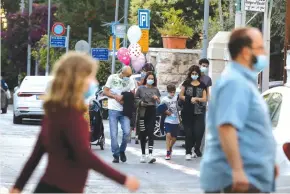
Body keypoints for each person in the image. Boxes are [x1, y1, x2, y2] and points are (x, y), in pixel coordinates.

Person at [9, 52, 139, 193]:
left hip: (47, 187)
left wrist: (17, 187)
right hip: (64, 189)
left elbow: (35, 157)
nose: (94, 82)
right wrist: (123, 179)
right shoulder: (73, 117)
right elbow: (84, 155)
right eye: (90, 77)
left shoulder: (53, 113)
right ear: (78, 80)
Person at [200, 27, 278, 193]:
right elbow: (226, 127)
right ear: (245, 52)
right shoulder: (235, 82)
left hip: (248, 178)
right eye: (260, 48)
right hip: (235, 181)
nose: (264, 53)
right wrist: (237, 170)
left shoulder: (243, 81)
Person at [104, 66, 135, 163]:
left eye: (130, 75)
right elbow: (105, 91)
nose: (129, 77)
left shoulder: (130, 80)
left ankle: (122, 151)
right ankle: (116, 154)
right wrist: (115, 97)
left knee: (127, 133)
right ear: (123, 72)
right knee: (113, 134)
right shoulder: (112, 78)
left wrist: (124, 97)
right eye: (128, 75)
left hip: (124, 110)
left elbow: (132, 93)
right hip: (113, 109)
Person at [179, 65, 207, 160]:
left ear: (198, 74)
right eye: (193, 73)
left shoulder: (202, 85)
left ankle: (196, 148)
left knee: (198, 132)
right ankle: (188, 151)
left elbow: (205, 98)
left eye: (196, 73)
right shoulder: (186, 83)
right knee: (189, 133)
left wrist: (197, 99)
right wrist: (190, 98)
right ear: (190, 74)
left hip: (199, 112)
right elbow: (181, 95)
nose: (194, 75)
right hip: (187, 112)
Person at [135, 72, 160, 163]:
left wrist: (156, 98)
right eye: (149, 78)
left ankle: (150, 154)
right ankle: (143, 154)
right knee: (143, 133)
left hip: (152, 111)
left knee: (150, 132)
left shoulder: (155, 89)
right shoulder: (141, 88)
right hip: (143, 111)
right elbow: (135, 99)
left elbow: (159, 101)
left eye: (152, 79)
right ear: (146, 79)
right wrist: (140, 103)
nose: (151, 80)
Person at [160, 84, 180, 160]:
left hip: (176, 120)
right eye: (171, 92)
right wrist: (165, 111)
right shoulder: (164, 99)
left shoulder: (176, 98)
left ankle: (170, 147)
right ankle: (168, 152)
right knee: (168, 135)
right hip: (167, 120)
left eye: (173, 92)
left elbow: (180, 107)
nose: (172, 93)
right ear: (168, 92)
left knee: (174, 138)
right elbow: (160, 109)